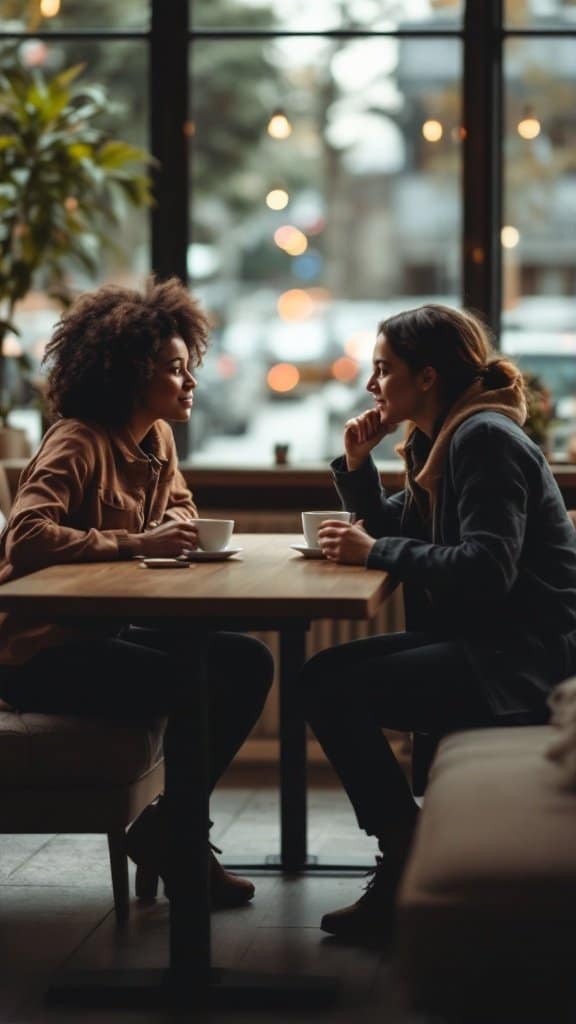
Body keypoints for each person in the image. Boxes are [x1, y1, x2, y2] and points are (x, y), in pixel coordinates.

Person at [300, 304, 576, 940]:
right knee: (322, 676)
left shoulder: (483, 439)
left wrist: (373, 552)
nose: (372, 386)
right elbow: (400, 526)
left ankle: (404, 858)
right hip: (490, 642)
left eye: (383, 370)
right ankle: (406, 851)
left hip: (525, 659)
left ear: (426, 377)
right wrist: (358, 464)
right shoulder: (442, 438)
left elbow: (487, 569)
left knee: (327, 685)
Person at [0, 276, 274, 908]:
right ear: (130, 375)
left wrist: (173, 535)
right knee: (196, 682)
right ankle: (183, 843)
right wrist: (131, 544)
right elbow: (27, 537)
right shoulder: (78, 439)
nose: (190, 382)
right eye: (175, 370)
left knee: (246, 659)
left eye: (188, 367)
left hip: (102, 632)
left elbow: (179, 515)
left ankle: (167, 830)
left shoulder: (157, 440)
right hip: (37, 654)